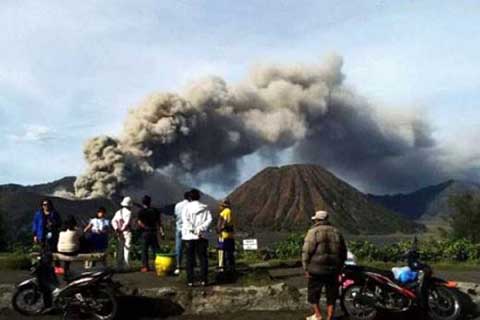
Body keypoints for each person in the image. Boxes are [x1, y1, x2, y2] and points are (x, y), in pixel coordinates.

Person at [302, 210, 347, 320]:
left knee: (313, 293)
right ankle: (330, 317)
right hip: (333, 269)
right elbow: (343, 252)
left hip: (316, 269)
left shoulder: (313, 232)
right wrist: (340, 267)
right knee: (331, 294)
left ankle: (317, 315)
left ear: (317, 220)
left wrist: (306, 267)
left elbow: (306, 251)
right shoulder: (337, 232)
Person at [182, 188, 212, 287]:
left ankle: (190, 281)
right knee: (203, 258)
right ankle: (204, 280)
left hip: (189, 237)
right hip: (202, 236)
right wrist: (200, 229)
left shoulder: (186, 208)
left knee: (190, 259)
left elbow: (185, 220)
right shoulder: (205, 208)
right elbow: (209, 220)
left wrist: (193, 230)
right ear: (199, 197)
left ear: (190, 197)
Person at [32, 199, 62, 273]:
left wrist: (54, 224)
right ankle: (41, 267)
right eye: (44, 204)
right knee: (42, 251)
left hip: (52, 235)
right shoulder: (38, 214)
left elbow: (60, 223)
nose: (46, 206)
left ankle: (57, 267)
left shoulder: (54, 213)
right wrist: (35, 235)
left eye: (47, 204)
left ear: (50, 205)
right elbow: (35, 224)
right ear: (42, 206)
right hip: (41, 235)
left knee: (54, 250)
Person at [137, 195, 164, 272]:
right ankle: (158, 265)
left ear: (143, 202)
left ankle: (145, 267)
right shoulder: (155, 211)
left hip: (145, 232)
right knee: (155, 249)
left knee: (144, 250)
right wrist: (162, 232)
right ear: (150, 202)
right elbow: (159, 222)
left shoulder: (141, 211)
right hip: (154, 232)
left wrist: (145, 227)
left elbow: (139, 222)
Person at [112, 196, 133, 270]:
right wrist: (122, 230)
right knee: (127, 248)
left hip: (119, 233)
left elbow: (113, 221)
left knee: (119, 248)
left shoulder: (118, 212)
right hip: (126, 232)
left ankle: (118, 266)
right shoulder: (129, 213)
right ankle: (126, 266)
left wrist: (117, 229)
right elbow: (126, 223)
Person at [173, 192, 190, 275]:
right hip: (188, 230)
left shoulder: (177, 205)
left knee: (178, 248)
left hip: (179, 229)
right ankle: (190, 265)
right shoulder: (191, 206)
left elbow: (176, 216)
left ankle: (178, 266)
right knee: (189, 248)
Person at [216, 199, 235, 273]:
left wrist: (219, 230)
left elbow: (225, 223)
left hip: (224, 235)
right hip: (229, 235)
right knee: (229, 252)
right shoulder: (228, 211)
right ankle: (230, 267)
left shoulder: (226, 212)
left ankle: (222, 268)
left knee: (222, 251)